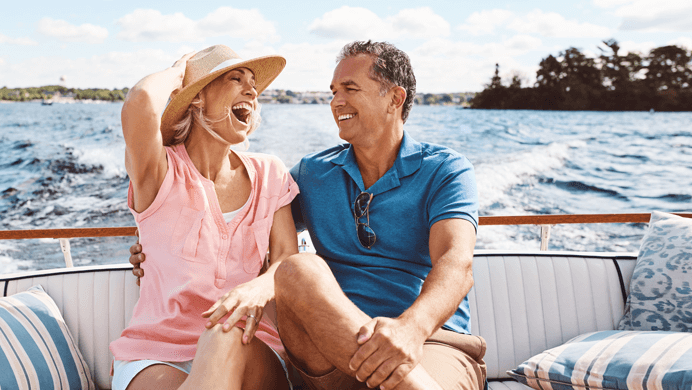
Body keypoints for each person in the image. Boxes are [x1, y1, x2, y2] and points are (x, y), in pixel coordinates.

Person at [131, 41, 486, 390]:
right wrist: (157, 243)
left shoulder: (446, 170)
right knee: (300, 268)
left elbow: (456, 264)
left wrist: (410, 329)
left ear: (395, 98)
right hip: (328, 353)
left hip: (429, 341)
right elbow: (239, 226)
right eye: (333, 91)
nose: (336, 102)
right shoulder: (312, 175)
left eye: (350, 89)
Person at [112, 44, 298, 390]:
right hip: (156, 352)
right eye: (235, 78)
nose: (251, 90)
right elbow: (139, 103)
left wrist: (260, 286)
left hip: (249, 346)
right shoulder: (160, 172)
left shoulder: (271, 172)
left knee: (224, 333)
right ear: (197, 99)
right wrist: (178, 72)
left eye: (253, 83)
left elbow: (288, 260)